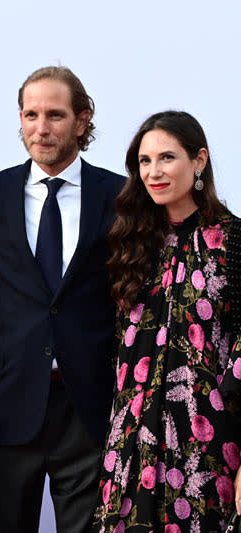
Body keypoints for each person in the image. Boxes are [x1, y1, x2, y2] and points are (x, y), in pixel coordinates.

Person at [0, 66, 126, 533]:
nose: (41, 128)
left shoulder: (122, 197)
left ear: (82, 120)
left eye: (55, 115)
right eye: (31, 114)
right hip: (8, 401)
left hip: (90, 405)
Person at [92, 111, 241, 532]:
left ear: (199, 161)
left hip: (208, 441)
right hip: (130, 443)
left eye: (167, 158)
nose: (153, 172)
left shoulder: (232, 240)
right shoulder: (130, 242)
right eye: (144, 161)